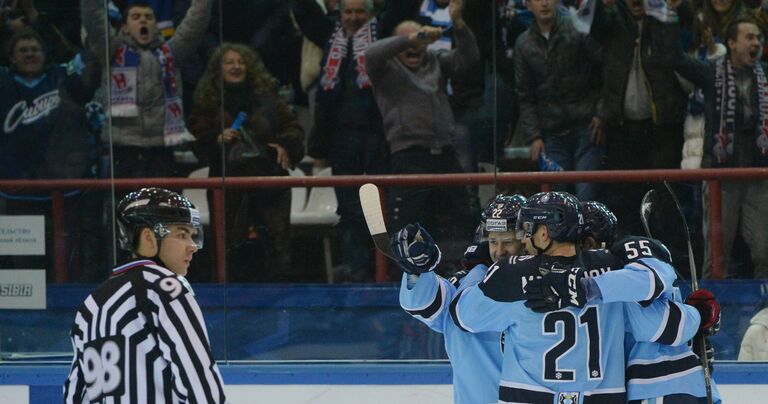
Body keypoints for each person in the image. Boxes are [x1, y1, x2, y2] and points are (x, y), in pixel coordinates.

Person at [449, 192, 698, 402]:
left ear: (544, 233)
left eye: (527, 230)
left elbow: (463, 316)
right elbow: (668, 322)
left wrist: (478, 269)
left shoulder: (511, 273)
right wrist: (698, 315)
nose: (524, 238)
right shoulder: (614, 270)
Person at [63, 188, 226, 403]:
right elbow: (199, 380)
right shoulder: (166, 288)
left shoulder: (91, 305)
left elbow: (75, 392)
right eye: (181, 234)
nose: (192, 246)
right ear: (148, 237)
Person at [365, 0, 480, 262]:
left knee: (465, 217)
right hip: (409, 156)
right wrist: (415, 36)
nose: (414, 46)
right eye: (406, 42)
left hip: (445, 153)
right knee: (407, 225)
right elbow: (371, 54)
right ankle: (409, 277)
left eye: (420, 40)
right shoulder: (384, 69)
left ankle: (464, 270)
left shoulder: (435, 60)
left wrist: (459, 25)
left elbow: (469, 59)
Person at [578, 201, 723, 403]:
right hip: (678, 385)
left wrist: (697, 320)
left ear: (591, 243)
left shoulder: (619, 275)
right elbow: (667, 325)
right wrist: (699, 317)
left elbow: (660, 325)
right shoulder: (620, 273)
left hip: (659, 387)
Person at [393, 194, 526, 403]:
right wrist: (418, 270)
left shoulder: (547, 283)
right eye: (493, 241)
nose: (499, 251)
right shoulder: (467, 283)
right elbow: (425, 307)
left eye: (508, 242)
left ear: (526, 240)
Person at [189, 43, 304, 282]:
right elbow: (197, 140)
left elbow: (294, 129)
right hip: (228, 184)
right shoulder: (208, 101)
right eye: (229, 62)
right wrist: (217, 138)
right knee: (230, 247)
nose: (236, 66)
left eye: (241, 62)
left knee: (277, 248)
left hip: (269, 180)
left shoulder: (270, 97)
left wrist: (284, 145)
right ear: (218, 68)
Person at [293, 0, 391, 282]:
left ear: (372, 14)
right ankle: (357, 268)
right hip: (340, 138)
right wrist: (319, 148)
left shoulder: (382, 33)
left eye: (360, 12)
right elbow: (303, 10)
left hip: (378, 136)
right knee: (348, 208)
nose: (353, 18)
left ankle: (383, 269)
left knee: (380, 207)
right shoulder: (329, 34)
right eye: (348, 12)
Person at [672, 16, 768, 278]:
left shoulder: (766, 73)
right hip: (721, 177)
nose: (756, 43)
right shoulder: (711, 72)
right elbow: (676, 59)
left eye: (759, 38)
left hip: (759, 175)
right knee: (716, 254)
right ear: (732, 43)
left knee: (765, 250)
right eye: (749, 37)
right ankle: (711, 312)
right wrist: (667, 18)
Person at [591, 0, 690, 237]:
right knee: (622, 198)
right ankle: (627, 254)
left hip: (662, 128)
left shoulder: (664, 20)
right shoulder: (612, 19)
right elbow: (593, 27)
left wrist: (669, 12)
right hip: (621, 128)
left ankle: (667, 258)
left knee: (665, 198)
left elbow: (674, 53)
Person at [81, 0, 212, 178]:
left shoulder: (172, 53)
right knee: (125, 206)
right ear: (125, 27)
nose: (143, 20)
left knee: (162, 205)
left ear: (155, 26)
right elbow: (93, 20)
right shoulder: (111, 51)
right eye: (136, 17)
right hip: (123, 150)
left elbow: (195, 23)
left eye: (149, 17)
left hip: (162, 150)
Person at [517, 0, 604, 201]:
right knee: (556, 202)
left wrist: (601, 112)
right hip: (552, 133)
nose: (544, 3)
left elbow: (603, 70)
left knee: (587, 197)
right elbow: (525, 95)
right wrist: (534, 136)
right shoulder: (524, 44)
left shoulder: (576, 28)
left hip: (587, 127)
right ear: (528, 4)